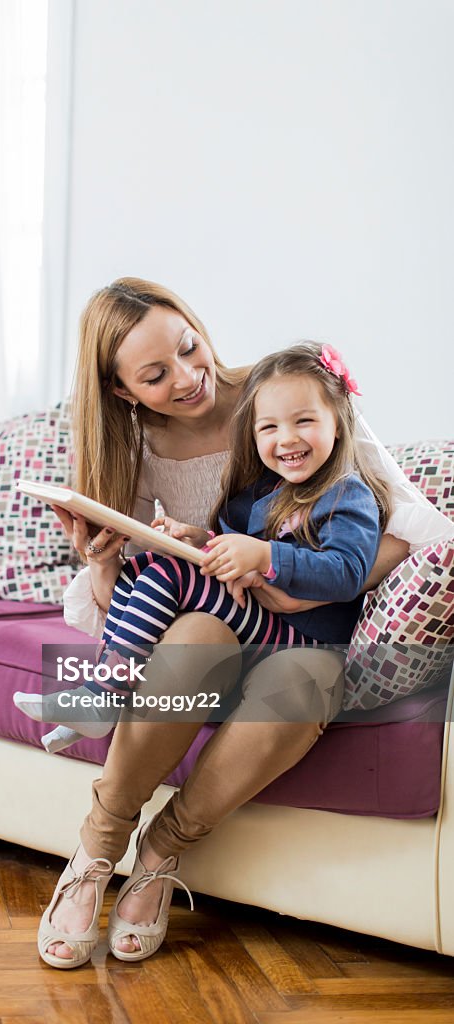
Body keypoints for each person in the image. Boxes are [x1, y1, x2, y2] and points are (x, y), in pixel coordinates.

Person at [27, 278, 453, 969]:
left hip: (299, 641)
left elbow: (412, 528)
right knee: (195, 631)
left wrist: (292, 584)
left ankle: (162, 853)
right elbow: (203, 550)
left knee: (300, 683)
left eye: (190, 348)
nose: (190, 377)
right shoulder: (141, 449)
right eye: (156, 375)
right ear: (123, 392)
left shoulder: (285, 393)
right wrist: (112, 561)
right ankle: (96, 850)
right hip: (215, 627)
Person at [15, 341, 391, 747]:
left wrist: (265, 555)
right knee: (143, 568)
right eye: (269, 427)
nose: (286, 439)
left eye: (304, 422)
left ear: (337, 422)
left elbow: (347, 572)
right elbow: (242, 546)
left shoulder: (347, 494)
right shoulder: (267, 489)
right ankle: (97, 696)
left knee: (169, 575)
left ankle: (102, 699)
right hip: (264, 620)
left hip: (303, 638)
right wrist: (203, 540)